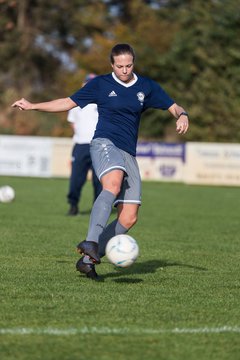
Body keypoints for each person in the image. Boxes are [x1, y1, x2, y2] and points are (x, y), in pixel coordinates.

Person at [12, 43, 189, 281]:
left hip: (129, 153)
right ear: (112, 65)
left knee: (129, 216)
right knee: (112, 184)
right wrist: (33, 106)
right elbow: (67, 102)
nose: (125, 70)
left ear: (133, 62)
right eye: (120, 66)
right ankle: (91, 242)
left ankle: (87, 260)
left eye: (129, 65)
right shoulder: (101, 84)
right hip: (104, 144)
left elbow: (173, 106)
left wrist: (183, 116)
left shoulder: (146, 86)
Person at [66, 74, 102, 216]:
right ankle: (73, 205)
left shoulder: (101, 101)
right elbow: (72, 123)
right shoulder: (75, 102)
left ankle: (98, 209)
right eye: (87, 83)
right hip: (80, 145)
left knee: (98, 180)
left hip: (98, 145)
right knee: (76, 178)